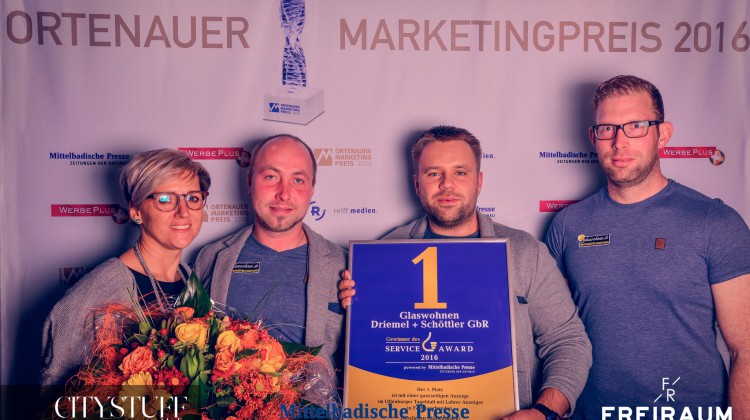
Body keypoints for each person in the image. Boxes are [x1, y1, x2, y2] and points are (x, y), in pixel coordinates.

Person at [339, 126, 592, 419]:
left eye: (460, 172)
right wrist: (355, 311)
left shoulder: (525, 252)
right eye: (433, 173)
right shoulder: (382, 254)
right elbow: (368, 350)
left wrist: (544, 411)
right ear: (417, 184)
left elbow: (568, 341)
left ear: (479, 181)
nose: (447, 184)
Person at [545, 75, 750, 418]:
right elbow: (556, 337)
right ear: (594, 137)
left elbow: (746, 349)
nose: (619, 142)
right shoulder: (568, 225)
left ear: (663, 134)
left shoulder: (714, 221)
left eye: (636, 126)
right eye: (607, 128)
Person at [41, 148, 211, 385]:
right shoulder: (98, 291)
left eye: (193, 198)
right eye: (165, 199)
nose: (183, 212)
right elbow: (54, 388)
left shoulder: (189, 278)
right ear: (136, 211)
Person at [193, 134, 345, 392]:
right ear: (250, 182)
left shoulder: (345, 265)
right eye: (271, 177)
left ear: (312, 189)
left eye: (298, 180)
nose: (284, 194)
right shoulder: (211, 258)